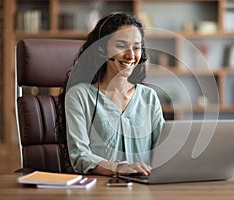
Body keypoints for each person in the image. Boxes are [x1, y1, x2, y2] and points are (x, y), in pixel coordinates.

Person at [58, 13, 165, 176]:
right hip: (100, 188)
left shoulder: (148, 96)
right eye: (121, 46)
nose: (131, 55)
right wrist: (118, 168)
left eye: (136, 47)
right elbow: (79, 156)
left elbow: (164, 149)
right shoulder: (79, 96)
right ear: (101, 49)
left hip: (144, 188)